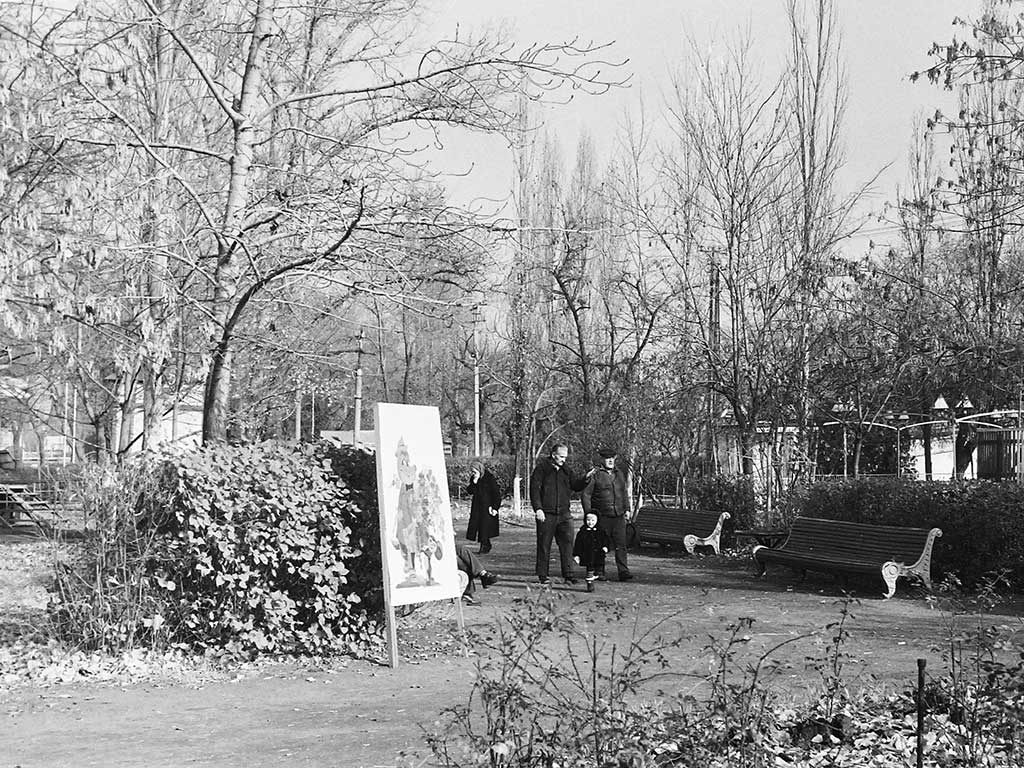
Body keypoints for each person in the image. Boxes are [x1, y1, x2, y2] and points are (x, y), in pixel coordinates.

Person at [529, 443, 595, 585]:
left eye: (565, 457)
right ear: (553, 455)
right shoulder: (541, 469)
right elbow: (534, 490)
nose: (564, 459)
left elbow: (575, 486)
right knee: (544, 545)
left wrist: (585, 479)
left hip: (564, 513)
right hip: (546, 514)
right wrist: (538, 509)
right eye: (561, 456)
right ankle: (543, 575)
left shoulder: (566, 470)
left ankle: (569, 574)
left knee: (567, 545)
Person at [581, 447, 633, 581]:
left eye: (612, 458)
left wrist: (627, 509)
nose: (610, 461)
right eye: (607, 458)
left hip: (619, 515)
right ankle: (600, 571)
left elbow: (624, 492)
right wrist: (589, 514)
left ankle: (623, 571)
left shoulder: (619, 473)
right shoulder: (595, 475)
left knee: (621, 545)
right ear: (602, 459)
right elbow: (586, 494)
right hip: (602, 516)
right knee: (599, 545)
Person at [465, 461, 501, 554]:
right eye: (472, 472)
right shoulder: (474, 478)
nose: (473, 474)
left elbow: (496, 493)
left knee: (485, 526)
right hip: (477, 506)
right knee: (479, 526)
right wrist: (474, 482)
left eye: (474, 471)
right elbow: (470, 491)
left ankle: (484, 546)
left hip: (487, 506)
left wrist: (495, 507)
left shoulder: (489, 478)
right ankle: (485, 545)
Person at [573, 511, 611, 592]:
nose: (590, 522)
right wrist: (576, 554)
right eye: (588, 520)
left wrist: (606, 547)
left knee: (599, 565)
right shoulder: (582, 531)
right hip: (587, 554)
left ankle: (598, 574)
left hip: (598, 553)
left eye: (593, 520)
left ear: (597, 520)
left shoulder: (601, 531)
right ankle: (590, 583)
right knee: (589, 569)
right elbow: (578, 544)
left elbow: (606, 540)